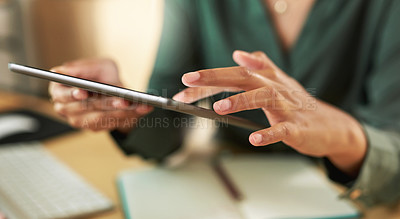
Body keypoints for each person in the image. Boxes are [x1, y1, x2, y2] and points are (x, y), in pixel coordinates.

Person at [48, 0, 400, 207]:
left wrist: (345, 137)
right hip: (224, 195)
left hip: (355, 202)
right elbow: (172, 117)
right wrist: (123, 108)